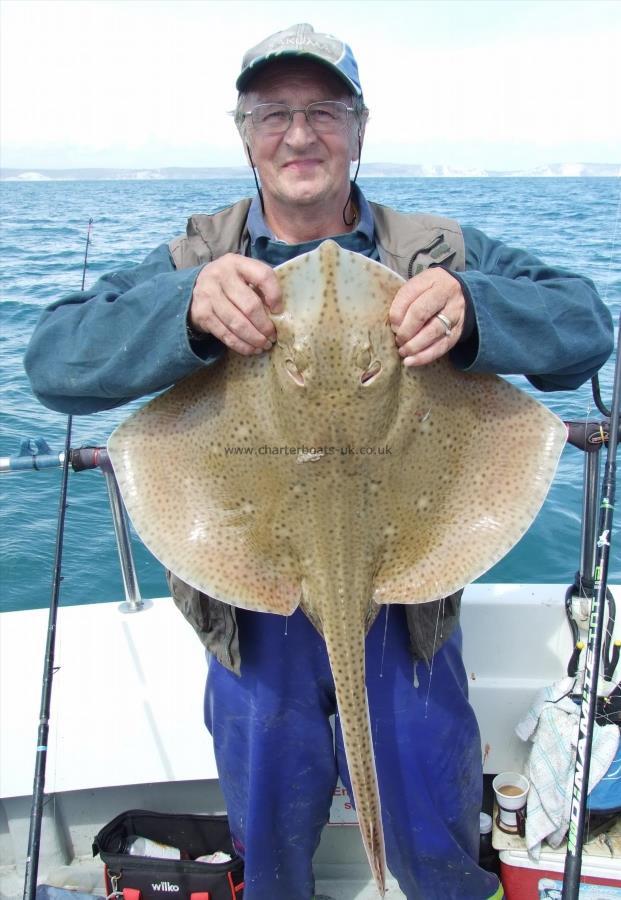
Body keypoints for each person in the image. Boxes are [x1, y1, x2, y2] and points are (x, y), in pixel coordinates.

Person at [25, 23, 613, 900]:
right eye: (273, 114)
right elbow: (56, 363)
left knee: (430, 830)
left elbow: (582, 327)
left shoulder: (436, 250)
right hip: (249, 603)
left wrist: (472, 307)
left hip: (407, 597)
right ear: (244, 132)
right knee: (270, 840)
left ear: (359, 127)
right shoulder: (196, 254)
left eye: (322, 111)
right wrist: (184, 313)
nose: (298, 134)